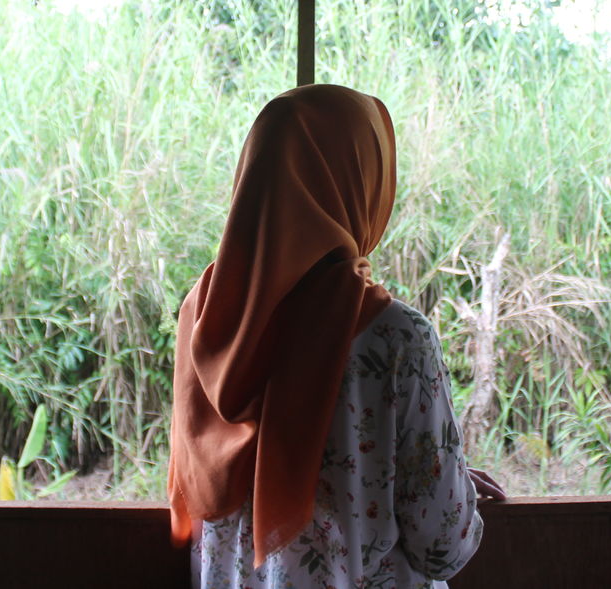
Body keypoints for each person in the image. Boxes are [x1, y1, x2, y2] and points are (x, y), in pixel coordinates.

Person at [169, 84, 503, 588]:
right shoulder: (396, 339)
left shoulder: (204, 315)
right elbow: (442, 544)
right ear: (361, 184)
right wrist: (450, 488)